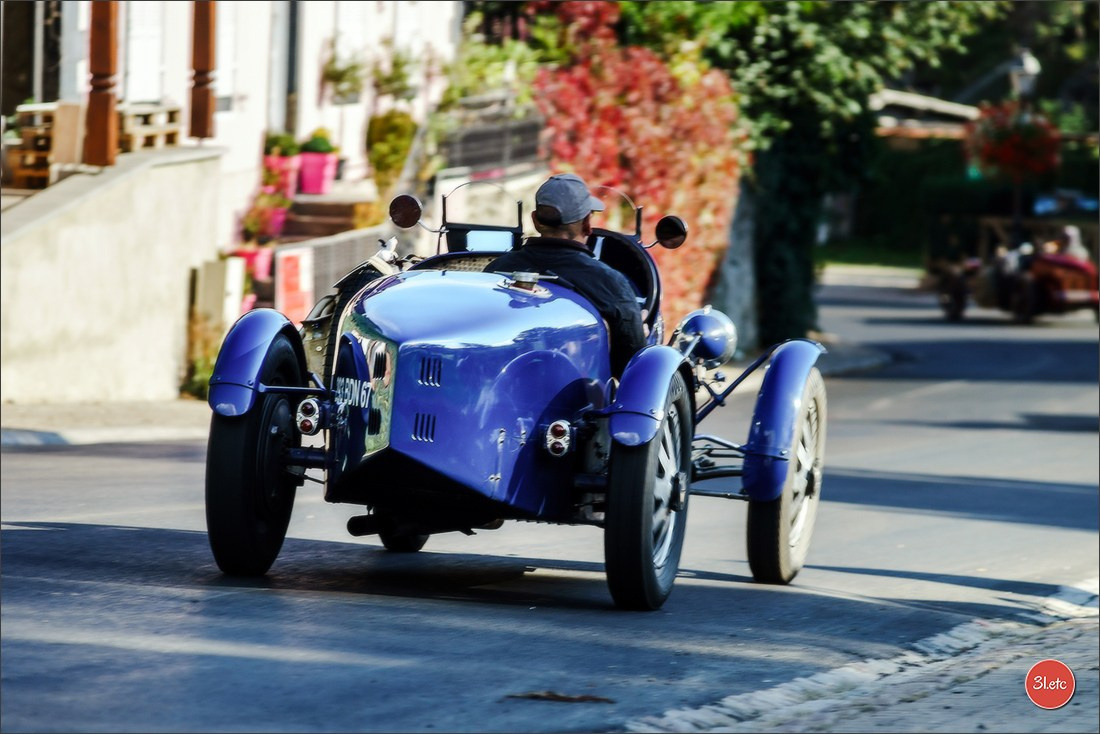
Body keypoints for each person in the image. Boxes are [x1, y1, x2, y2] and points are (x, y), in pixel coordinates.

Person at [485, 173, 646, 377]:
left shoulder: (495, 270)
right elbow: (632, 366)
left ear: (535, 220)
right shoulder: (610, 283)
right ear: (587, 225)